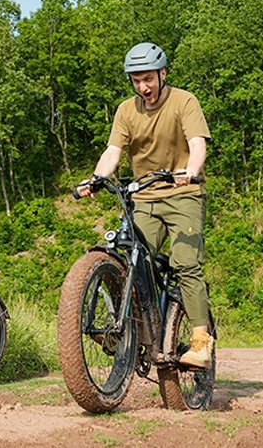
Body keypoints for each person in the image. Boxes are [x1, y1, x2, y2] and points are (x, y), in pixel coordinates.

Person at [73, 42, 214, 369]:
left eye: (148, 78)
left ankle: (200, 340)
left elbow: (197, 144)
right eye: (136, 80)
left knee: (185, 262)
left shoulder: (184, 101)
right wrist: (95, 178)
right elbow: (113, 152)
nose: (143, 87)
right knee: (131, 260)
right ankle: (131, 330)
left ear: (163, 74)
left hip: (183, 196)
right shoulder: (126, 110)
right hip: (144, 199)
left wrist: (190, 172)